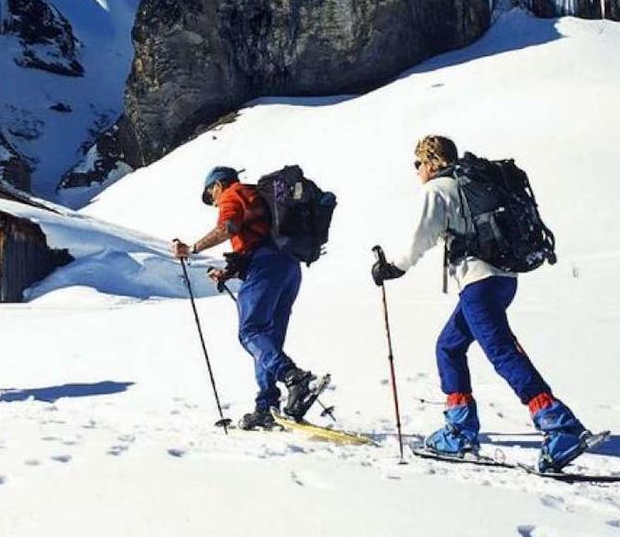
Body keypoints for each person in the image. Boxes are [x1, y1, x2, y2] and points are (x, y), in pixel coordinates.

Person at [371, 136, 592, 472]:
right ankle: (460, 428)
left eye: (417, 164)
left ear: (430, 162)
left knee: (501, 351)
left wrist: (393, 267)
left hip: (479, 282)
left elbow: (420, 238)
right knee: (449, 346)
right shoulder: (470, 184)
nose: (416, 171)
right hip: (502, 280)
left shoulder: (437, 190)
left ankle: (559, 425)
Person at [172, 166, 318, 429]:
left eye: (210, 195)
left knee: (250, 331)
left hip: (266, 267)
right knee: (267, 338)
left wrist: (192, 249)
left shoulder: (232, 194)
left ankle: (293, 378)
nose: (212, 201)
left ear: (218, 185)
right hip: (289, 267)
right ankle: (266, 406)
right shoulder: (256, 195)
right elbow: (257, 238)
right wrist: (228, 273)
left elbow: (228, 227)